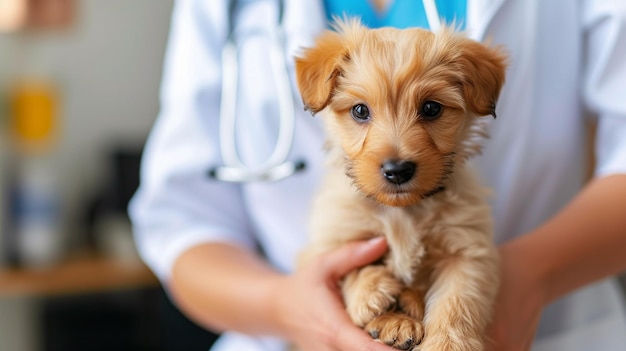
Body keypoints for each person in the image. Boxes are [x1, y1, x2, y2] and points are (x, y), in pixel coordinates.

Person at [128, 0, 626, 350]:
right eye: (360, 113)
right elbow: (182, 218)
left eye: (431, 109)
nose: (396, 153)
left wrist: (526, 280)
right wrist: (286, 306)